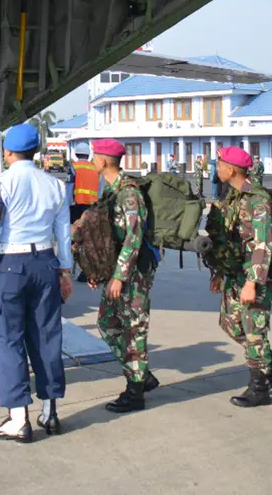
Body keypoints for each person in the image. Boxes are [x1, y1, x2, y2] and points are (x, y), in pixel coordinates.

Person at [0, 123, 73, 442]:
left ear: (8, 151)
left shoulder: (0, 184)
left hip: (11, 265)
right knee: (47, 336)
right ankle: (50, 411)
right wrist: (65, 271)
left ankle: (18, 418)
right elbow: (63, 233)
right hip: (46, 263)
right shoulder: (54, 184)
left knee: (9, 339)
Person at [207, 146, 272, 407]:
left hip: (257, 274)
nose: (217, 169)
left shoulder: (258, 199)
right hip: (235, 272)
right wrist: (219, 272)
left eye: (219, 164)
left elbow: (263, 243)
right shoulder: (232, 197)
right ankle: (271, 362)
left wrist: (253, 282)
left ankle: (259, 387)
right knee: (230, 324)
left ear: (231, 169)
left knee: (254, 329)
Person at [88, 138, 158, 413]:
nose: (93, 160)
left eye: (95, 156)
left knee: (134, 330)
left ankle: (135, 391)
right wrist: (101, 273)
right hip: (117, 272)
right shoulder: (110, 191)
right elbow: (108, 238)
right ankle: (141, 374)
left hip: (134, 275)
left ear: (105, 161)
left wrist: (119, 276)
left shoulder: (129, 194)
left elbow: (133, 238)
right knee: (107, 323)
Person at [69, 143, 99, 224]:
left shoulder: (73, 167)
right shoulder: (96, 168)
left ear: (76, 154)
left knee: (75, 232)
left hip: (76, 205)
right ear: (89, 154)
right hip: (93, 205)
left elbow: (70, 187)